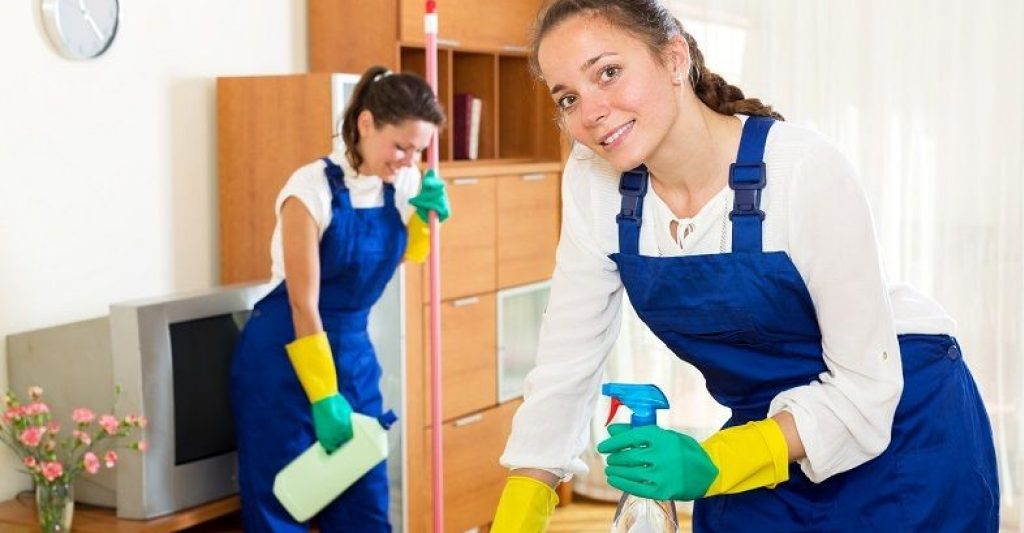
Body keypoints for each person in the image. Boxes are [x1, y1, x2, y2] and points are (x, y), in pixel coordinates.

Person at [490, 1, 999, 531]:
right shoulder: (593, 181)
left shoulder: (801, 168)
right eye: (568, 97)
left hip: (900, 423)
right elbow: (566, 361)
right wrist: (524, 501)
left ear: (673, 58)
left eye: (609, 73)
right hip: (764, 429)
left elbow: (867, 388)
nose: (590, 111)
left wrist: (716, 462)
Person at [230, 65, 447, 532]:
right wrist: (324, 395)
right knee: (283, 507)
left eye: (418, 150)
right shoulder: (308, 190)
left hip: (352, 356)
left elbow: (405, 255)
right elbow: (302, 303)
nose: (409, 160)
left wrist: (423, 221)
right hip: (285, 359)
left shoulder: (403, 183)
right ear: (367, 124)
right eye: (401, 146)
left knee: (365, 510)